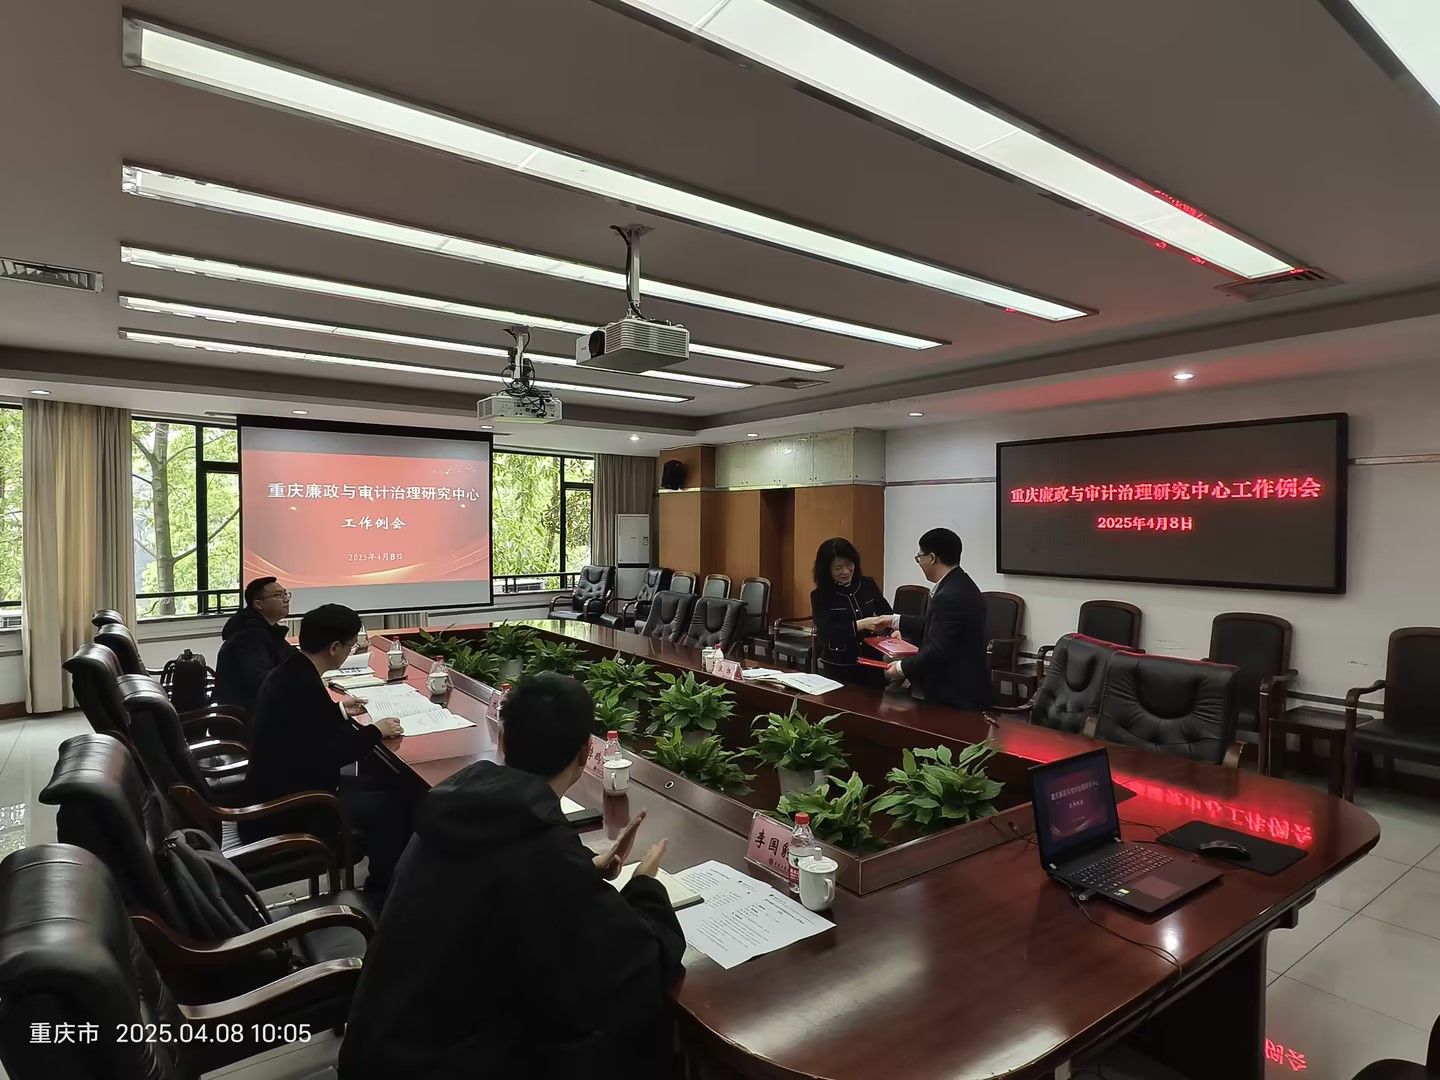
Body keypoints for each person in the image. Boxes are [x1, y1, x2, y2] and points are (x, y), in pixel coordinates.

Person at [338, 673, 685, 1080]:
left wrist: (582, 870)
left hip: (376, 1049)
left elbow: (501, 889)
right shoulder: (540, 846)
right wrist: (646, 883)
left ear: (502, 740)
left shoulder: (457, 806)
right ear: (586, 752)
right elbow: (638, 969)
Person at [240, 603, 410, 895]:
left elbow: (304, 727)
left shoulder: (292, 671)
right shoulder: (300, 684)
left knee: (388, 785)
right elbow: (333, 753)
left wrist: (340, 710)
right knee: (394, 808)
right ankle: (381, 894)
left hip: (286, 787)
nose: (350, 651)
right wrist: (375, 730)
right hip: (292, 808)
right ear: (334, 647)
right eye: (350, 645)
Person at [857, 527, 990, 709]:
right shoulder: (959, 584)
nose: (919, 562)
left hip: (955, 692)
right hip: (964, 685)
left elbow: (938, 650)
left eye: (919, 557)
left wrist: (901, 668)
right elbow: (934, 625)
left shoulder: (948, 595)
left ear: (932, 558)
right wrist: (893, 620)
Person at [809, 537, 892, 683]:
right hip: (839, 665)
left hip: (872, 660)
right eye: (838, 568)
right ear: (826, 569)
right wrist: (859, 625)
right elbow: (825, 632)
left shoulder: (867, 584)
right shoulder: (820, 595)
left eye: (849, 565)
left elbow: (886, 612)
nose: (846, 571)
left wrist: (893, 630)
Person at [215, 577, 294, 716]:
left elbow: (291, 658)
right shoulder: (248, 636)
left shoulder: (266, 629)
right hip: (247, 718)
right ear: (258, 604)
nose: (286, 599)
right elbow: (262, 681)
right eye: (278, 595)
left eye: (285, 594)